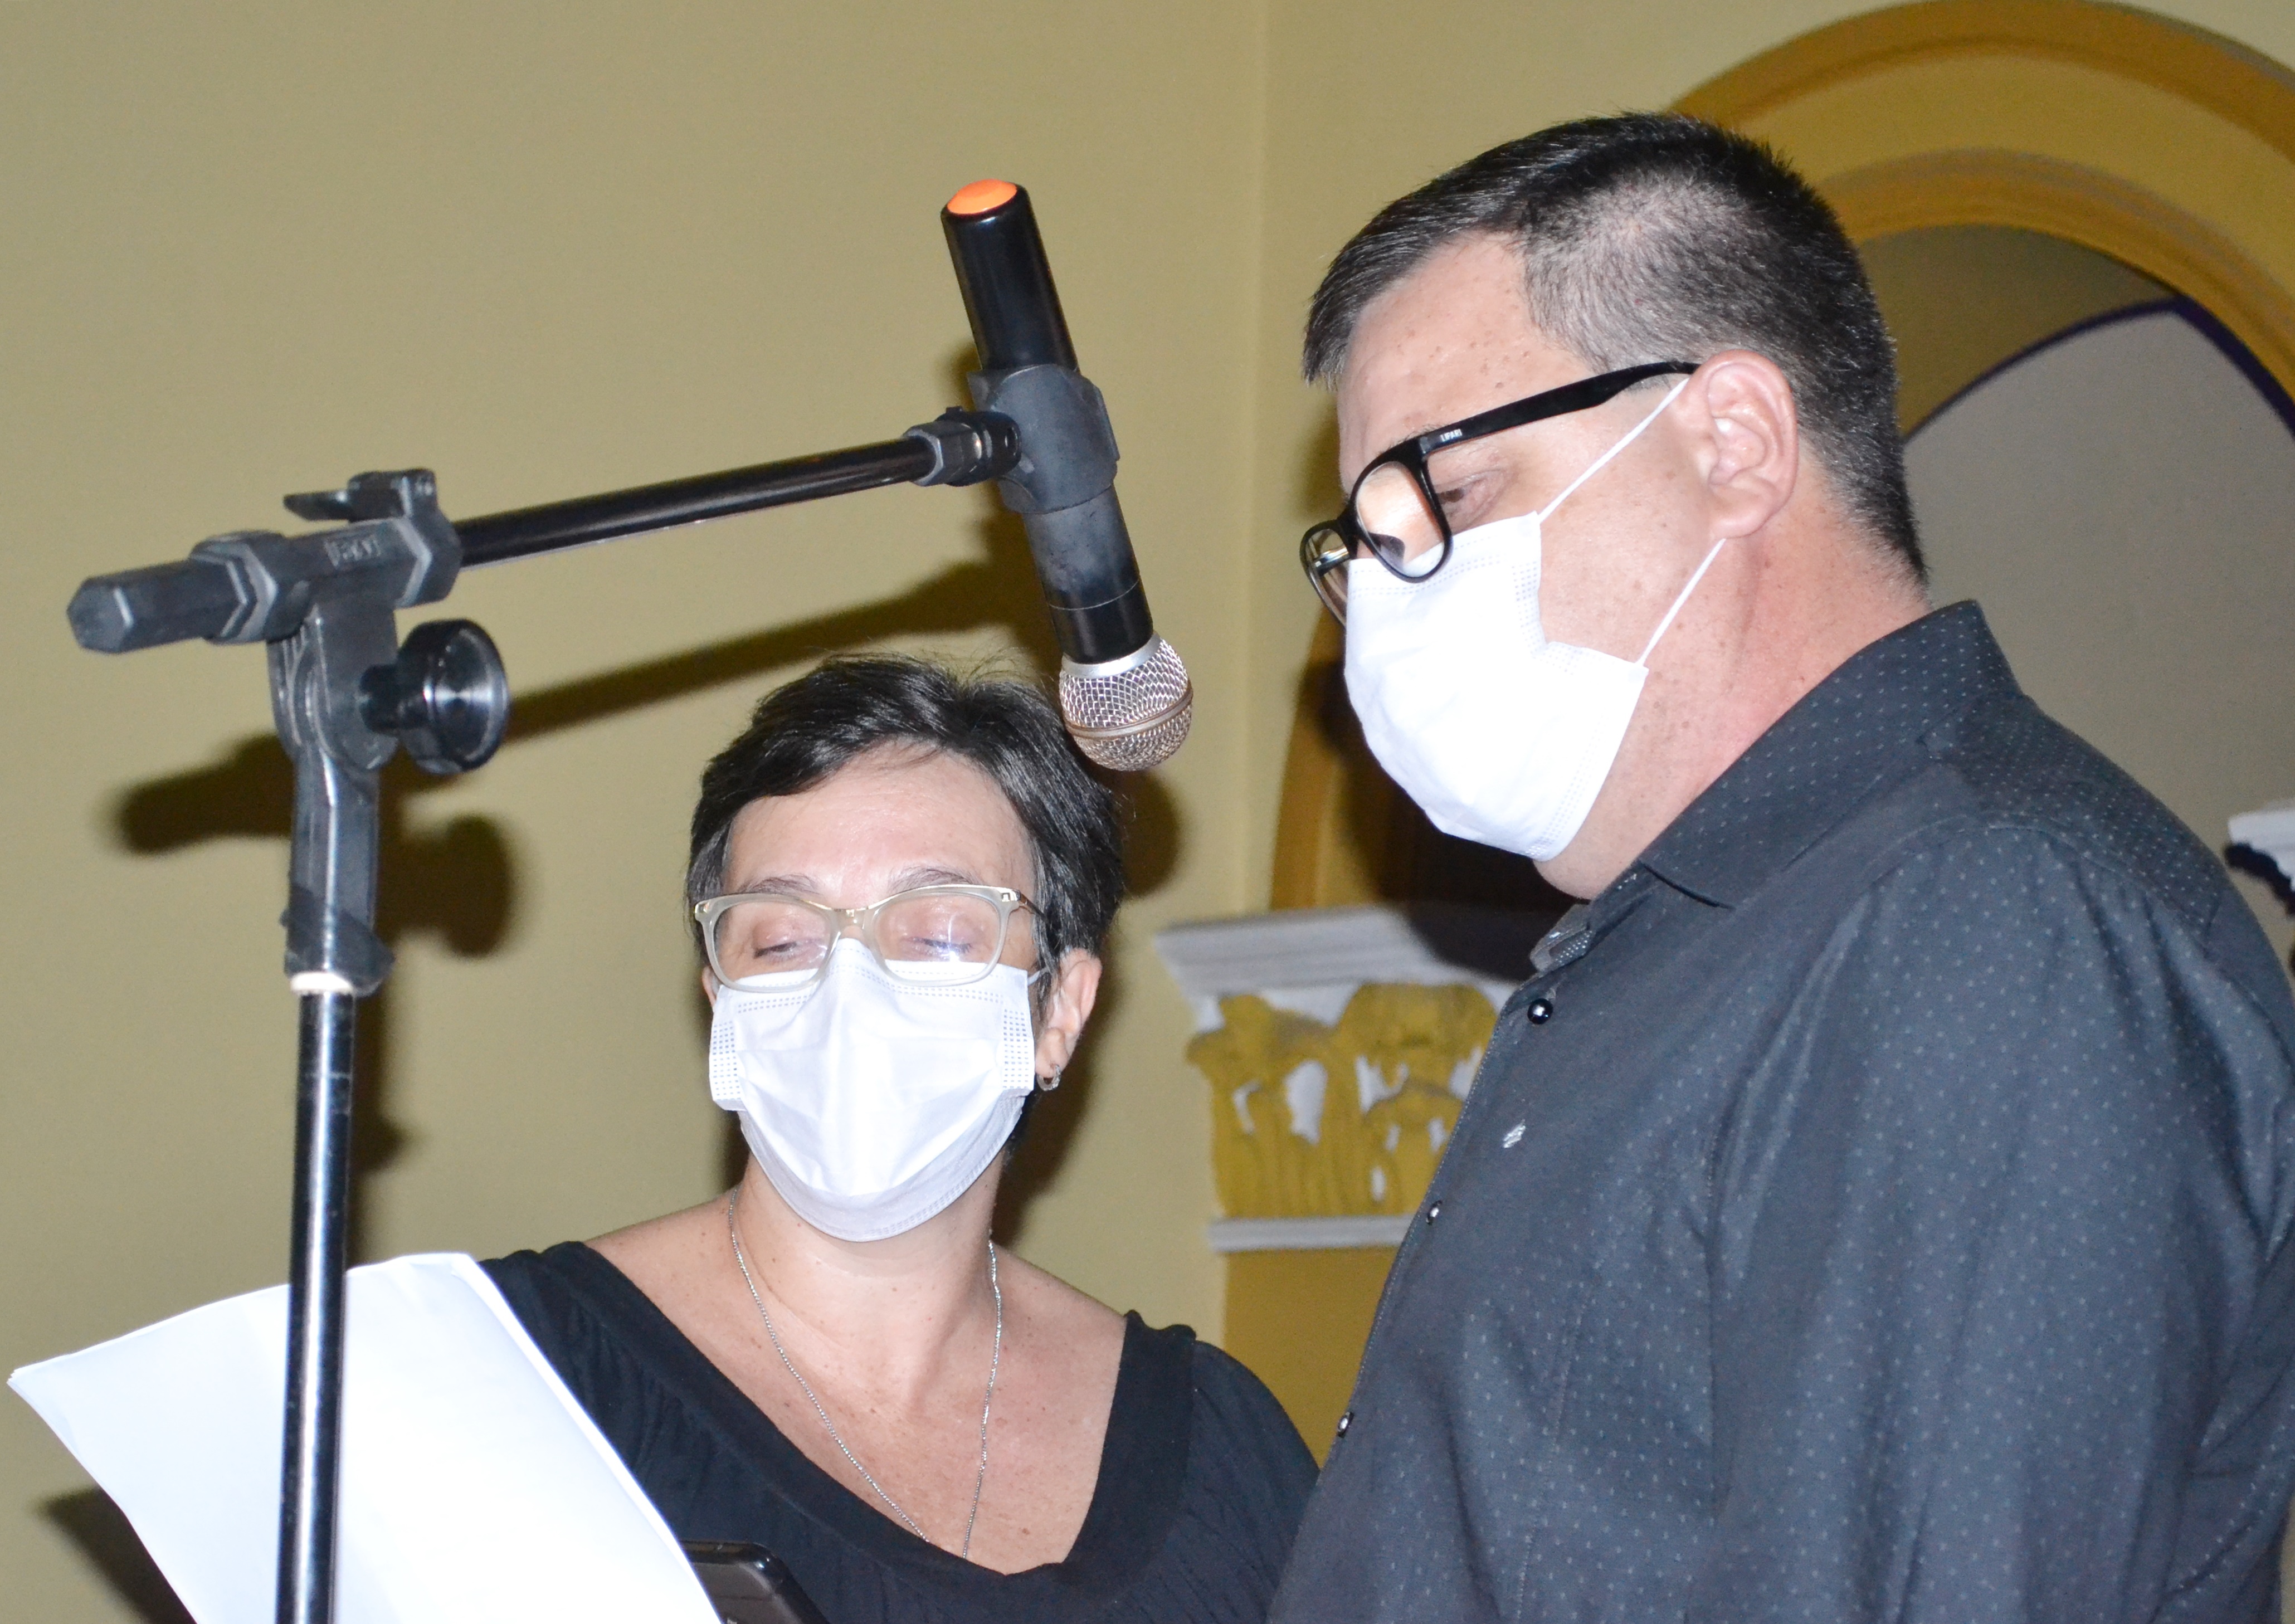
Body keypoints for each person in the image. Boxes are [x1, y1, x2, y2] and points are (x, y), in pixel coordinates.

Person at [1270, 113, 2295, 1622]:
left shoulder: (1982, 922)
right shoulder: (1692, 939)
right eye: (1361, 549)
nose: (1387, 604)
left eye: (1450, 499)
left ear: (1734, 442)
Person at [485, 656, 1315, 1623]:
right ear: (722, 1001)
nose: (850, 988)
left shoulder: (1218, 1443)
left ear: (1060, 1010)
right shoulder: (514, 1375)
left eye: (937, 932)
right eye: (782, 940)